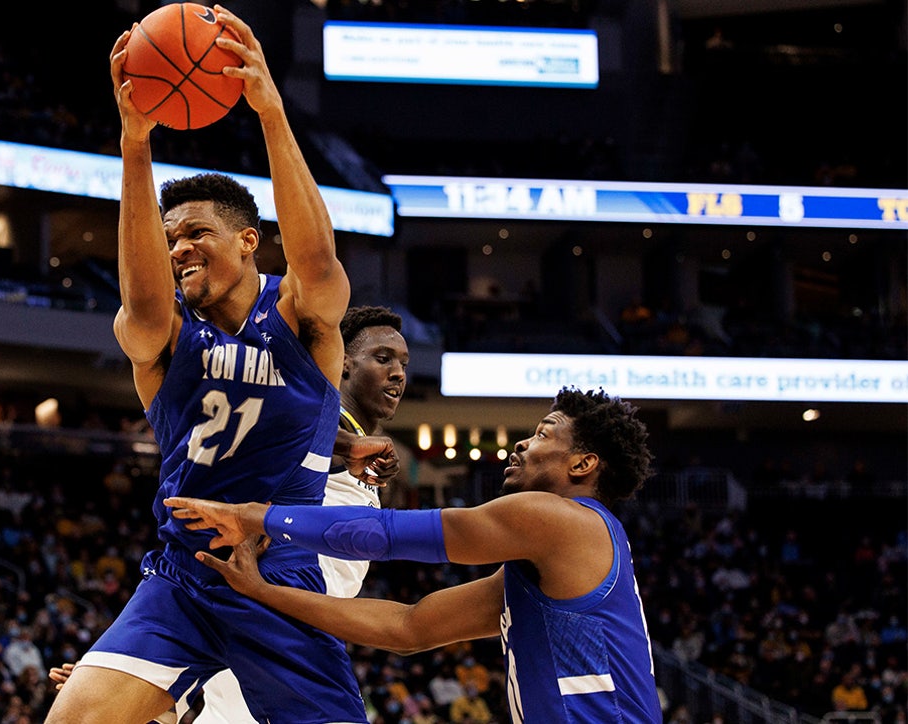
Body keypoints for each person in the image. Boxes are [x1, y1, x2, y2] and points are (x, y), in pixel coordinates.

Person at [46, 5, 362, 724]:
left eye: (197, 233)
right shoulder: (166, 340)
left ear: (250, 241)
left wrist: (271, 112)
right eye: (170, 237)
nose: (180, 246)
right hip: (181, 578)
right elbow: (142, 294)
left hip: (279, 572)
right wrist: (135, 143)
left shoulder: (303, 318)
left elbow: (316, 258)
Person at [166, 387, 665, 723]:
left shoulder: (560, 519)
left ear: (582, 463)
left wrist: (254, 515)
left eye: (542, 433)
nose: (520, 443)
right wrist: (264, 592)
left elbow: (389, 533)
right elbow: (407, 628)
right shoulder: (553, 561)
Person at [50, 306, 411, 722]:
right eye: (382, 358)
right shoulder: (322, 424)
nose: (398, 373)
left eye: (402, 363)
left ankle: (142, 693)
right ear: (344, 364)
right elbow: (281, 420)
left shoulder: (362, 445)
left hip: (295, 618)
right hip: (268, 604)